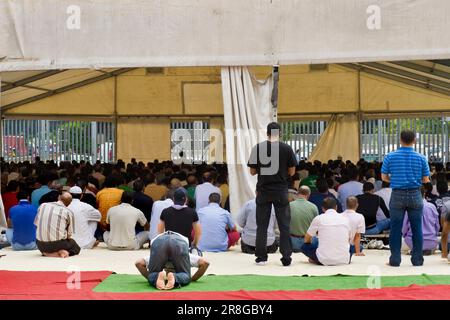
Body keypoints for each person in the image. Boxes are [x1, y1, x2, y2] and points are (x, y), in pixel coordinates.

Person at [248, 122, 297, 266]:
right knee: (284, 225)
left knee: (262, 225)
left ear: (267, 133)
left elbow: (252, 171)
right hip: (281, 191)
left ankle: (261, 257)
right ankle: (286, 258)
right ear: (279, 133)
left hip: (263, 191)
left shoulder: (258, 148)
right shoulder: (287, 148)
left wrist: (261, 169)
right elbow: (292, 171)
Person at [381, 130, 431, 267]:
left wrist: (395, 178)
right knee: (417, 228)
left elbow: (384, 177)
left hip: (397, 194)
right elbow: (426, 179)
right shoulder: (421, 158)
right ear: (414, 140)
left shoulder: (390, 157)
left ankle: (395, 260)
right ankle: (417, 260)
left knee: (395, 228)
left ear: (400, 140)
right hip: (415, 195)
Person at [300, 198, 352, 266]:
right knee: (352, 246)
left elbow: (307, 238)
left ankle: (314, 259)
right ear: (336, 207)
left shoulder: (318, 218)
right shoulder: (346, 219)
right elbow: (349, 239)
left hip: (324, 259)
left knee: (304, 246)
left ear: (323, 208)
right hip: (344, 259)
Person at [34, 192, 80, 258]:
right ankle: (62, 253)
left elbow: (36, 224)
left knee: (47, 243)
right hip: (57, 245)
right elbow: (69, 235)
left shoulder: (42, 206)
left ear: (59, 197)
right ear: (69, 203)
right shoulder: (68, 212)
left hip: (40, 245)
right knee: (75, 246)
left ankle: (48, 254)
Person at [135, 248, 210, 282]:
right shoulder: (187, 256)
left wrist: (151, 279)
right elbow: (205, 263)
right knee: (184, 277)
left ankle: (157, 278)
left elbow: (138, 263)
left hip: (161, 255)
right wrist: (193, 279)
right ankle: (173, 277)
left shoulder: (158, 255)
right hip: (178, 272)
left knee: (155, 276)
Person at [402, 187, 440, 255]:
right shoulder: (432, 207)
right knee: (439, 240)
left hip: (412, 242)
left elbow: (404, 229)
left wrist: (405, 236)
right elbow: (437, 227)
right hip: (431, 242)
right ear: (424, 194)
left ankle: (415, 250)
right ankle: (426, 249)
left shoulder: (409, 208)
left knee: (396, 241)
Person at [289, 186, 319, 252]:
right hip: (308, 244)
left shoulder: (289, 205)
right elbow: (317, 227)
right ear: (308, 195)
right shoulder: (313, 207)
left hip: (292, 242)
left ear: (297, 193)